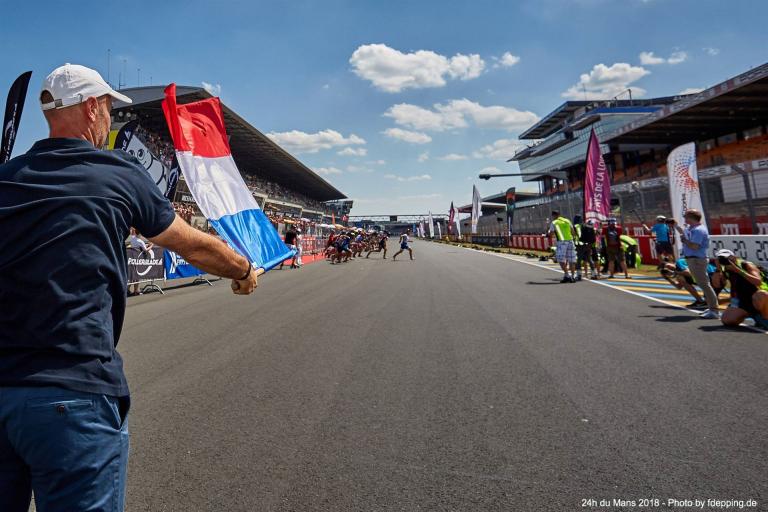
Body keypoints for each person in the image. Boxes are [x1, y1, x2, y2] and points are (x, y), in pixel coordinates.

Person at [0, 64, 259, 512]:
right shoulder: (116, 172)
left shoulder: (8, 176)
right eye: (108, 109)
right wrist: (241, 268)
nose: (109, 120)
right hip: (73, 390)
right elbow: (188, 243)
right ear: (91, 107)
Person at [675, 209, 719, 319]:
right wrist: (677, 227)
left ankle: (714, 310)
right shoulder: (692, 228)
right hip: (693, 259)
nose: (684, 218)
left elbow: (695, 246)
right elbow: (686, 235)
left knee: (704, 284)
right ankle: (711, 307)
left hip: (697, 260)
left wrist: (685, 241)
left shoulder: (698, 230)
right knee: (703, 284)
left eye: (686, 216)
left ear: (691, 218)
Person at [716, 249, 768, 328]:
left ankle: (765, 318)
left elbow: (758, 282)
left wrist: (737, 270)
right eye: (721, 258)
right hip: (744, 300)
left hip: (759, 296)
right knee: (727, 320)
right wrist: (718, 269)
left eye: (727, 258)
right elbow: (717, 284)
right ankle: (755, 316)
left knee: (761, 294)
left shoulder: (746, 265)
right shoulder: (725, 269)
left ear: (734, 257)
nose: (726, 260)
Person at [660, 257, 724, 309]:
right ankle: (701, 301)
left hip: (714, 276)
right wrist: (667, 278)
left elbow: (688, 273)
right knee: (712, 302)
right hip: (710, 278)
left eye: (667, 266)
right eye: (665, 271)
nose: (668, 269)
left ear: (671, 262)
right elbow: (679, 286)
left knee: (711, 302)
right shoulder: (678, 272)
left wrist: (674, 273)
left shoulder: (679, 262)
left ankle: (700, 301)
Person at [546, 210, 577, 283]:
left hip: (561, 242)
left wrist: (547, 233)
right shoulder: (567, 221)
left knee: (560, 259)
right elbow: (573, 232)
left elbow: (551, 234)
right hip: (570, 241)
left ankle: (567, 275)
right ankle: (572, 277)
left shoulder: (554, 222)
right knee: (571, 260)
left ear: (553, 215)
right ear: (559, 214)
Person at [128, 228, 154, 296]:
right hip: (138, 259)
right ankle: (136, 290)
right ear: (140, 234)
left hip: (132, 258)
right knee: (137, 276)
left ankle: (128, 289)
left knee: (132, 275)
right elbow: (145, 250)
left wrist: (146, 245)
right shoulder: (140, 241)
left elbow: (140, 246)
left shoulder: (133, 238)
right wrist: (151, 246)